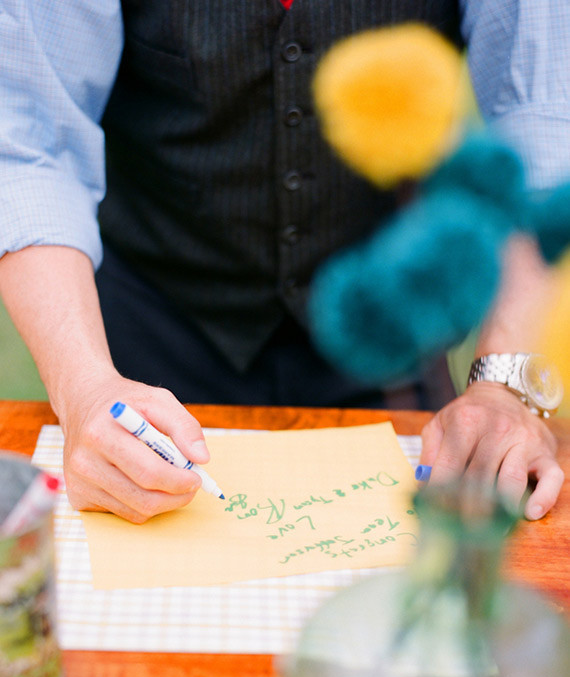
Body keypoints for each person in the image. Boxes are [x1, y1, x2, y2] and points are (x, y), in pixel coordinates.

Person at [0, 1, 567, 524]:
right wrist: (86, 389)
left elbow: (546, 115)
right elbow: (29, 140)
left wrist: (509, 386)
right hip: (146, 334)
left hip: (393, 323)